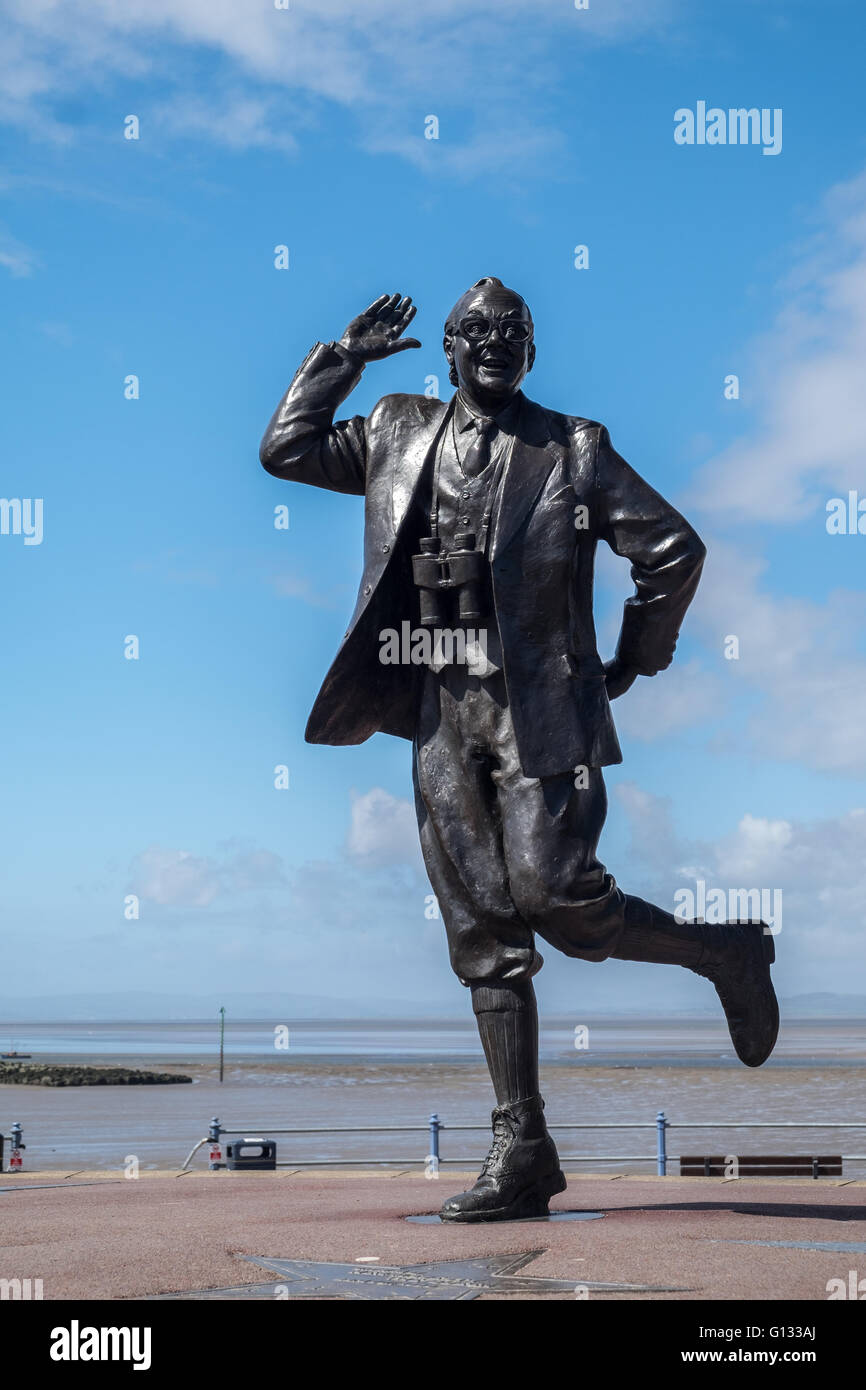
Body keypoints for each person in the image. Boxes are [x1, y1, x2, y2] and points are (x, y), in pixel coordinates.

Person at [260, 279, 779, 1223]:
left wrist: (633, 658)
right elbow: (286, 449)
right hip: (435, 700)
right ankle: (523, 1148)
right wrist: (341, 357)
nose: (496, 342)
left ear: (532, 350)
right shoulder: (394, 429)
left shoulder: (573, 448)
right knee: (483, 937)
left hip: (540, 710)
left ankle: (725, 953)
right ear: (449, 347)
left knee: (557, 901)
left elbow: (673, 548)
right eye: (477, 331)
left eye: (515, 332)